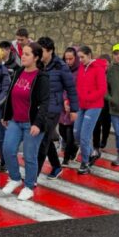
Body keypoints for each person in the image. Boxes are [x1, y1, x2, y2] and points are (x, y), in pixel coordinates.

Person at [1, 42, 50, 201]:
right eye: (23, 53)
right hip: (15, 120)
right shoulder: (18, 72)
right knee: (8, 149)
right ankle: (15, 178)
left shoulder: (41, 77)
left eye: (28, 54)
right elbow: (10, 95)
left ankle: (29, 186)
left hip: (32, 123)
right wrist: (6, 115)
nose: (23, 56)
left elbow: (45, 103)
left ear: (36, 58)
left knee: (30, 156)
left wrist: (37, 123)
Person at [35, 37, 79, 180]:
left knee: (42, 141)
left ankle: (32, 176)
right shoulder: (38, 64)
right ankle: (56, 166)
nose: (39, 54)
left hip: (53, 108)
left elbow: (71, 88)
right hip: (39, 108)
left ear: (50, 51)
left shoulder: (61, 66)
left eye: (41, 52)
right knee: (46, 139)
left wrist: (73, 109)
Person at [74, 46, 107, 175]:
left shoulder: (98, 68)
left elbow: (102, 89)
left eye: (82, 57)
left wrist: (88, 97)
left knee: (84, 136)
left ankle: (85, 163)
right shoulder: (82, 67)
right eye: (79, 57)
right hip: (81, 105)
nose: (80, 60)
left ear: (89, 55)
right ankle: (92, 152)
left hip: (94, 106)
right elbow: (78, 85)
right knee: (76, 132)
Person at [58, 47, 81, 167]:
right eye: (66, 59)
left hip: (74, 104)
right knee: (62, 130)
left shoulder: (79, 71)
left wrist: (71, 103)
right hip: (62, 103)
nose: (68, 61)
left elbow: (77, 89)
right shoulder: (62, 69)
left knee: (70, 132)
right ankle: (74, 148)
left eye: (71, 59)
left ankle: (66, 159)